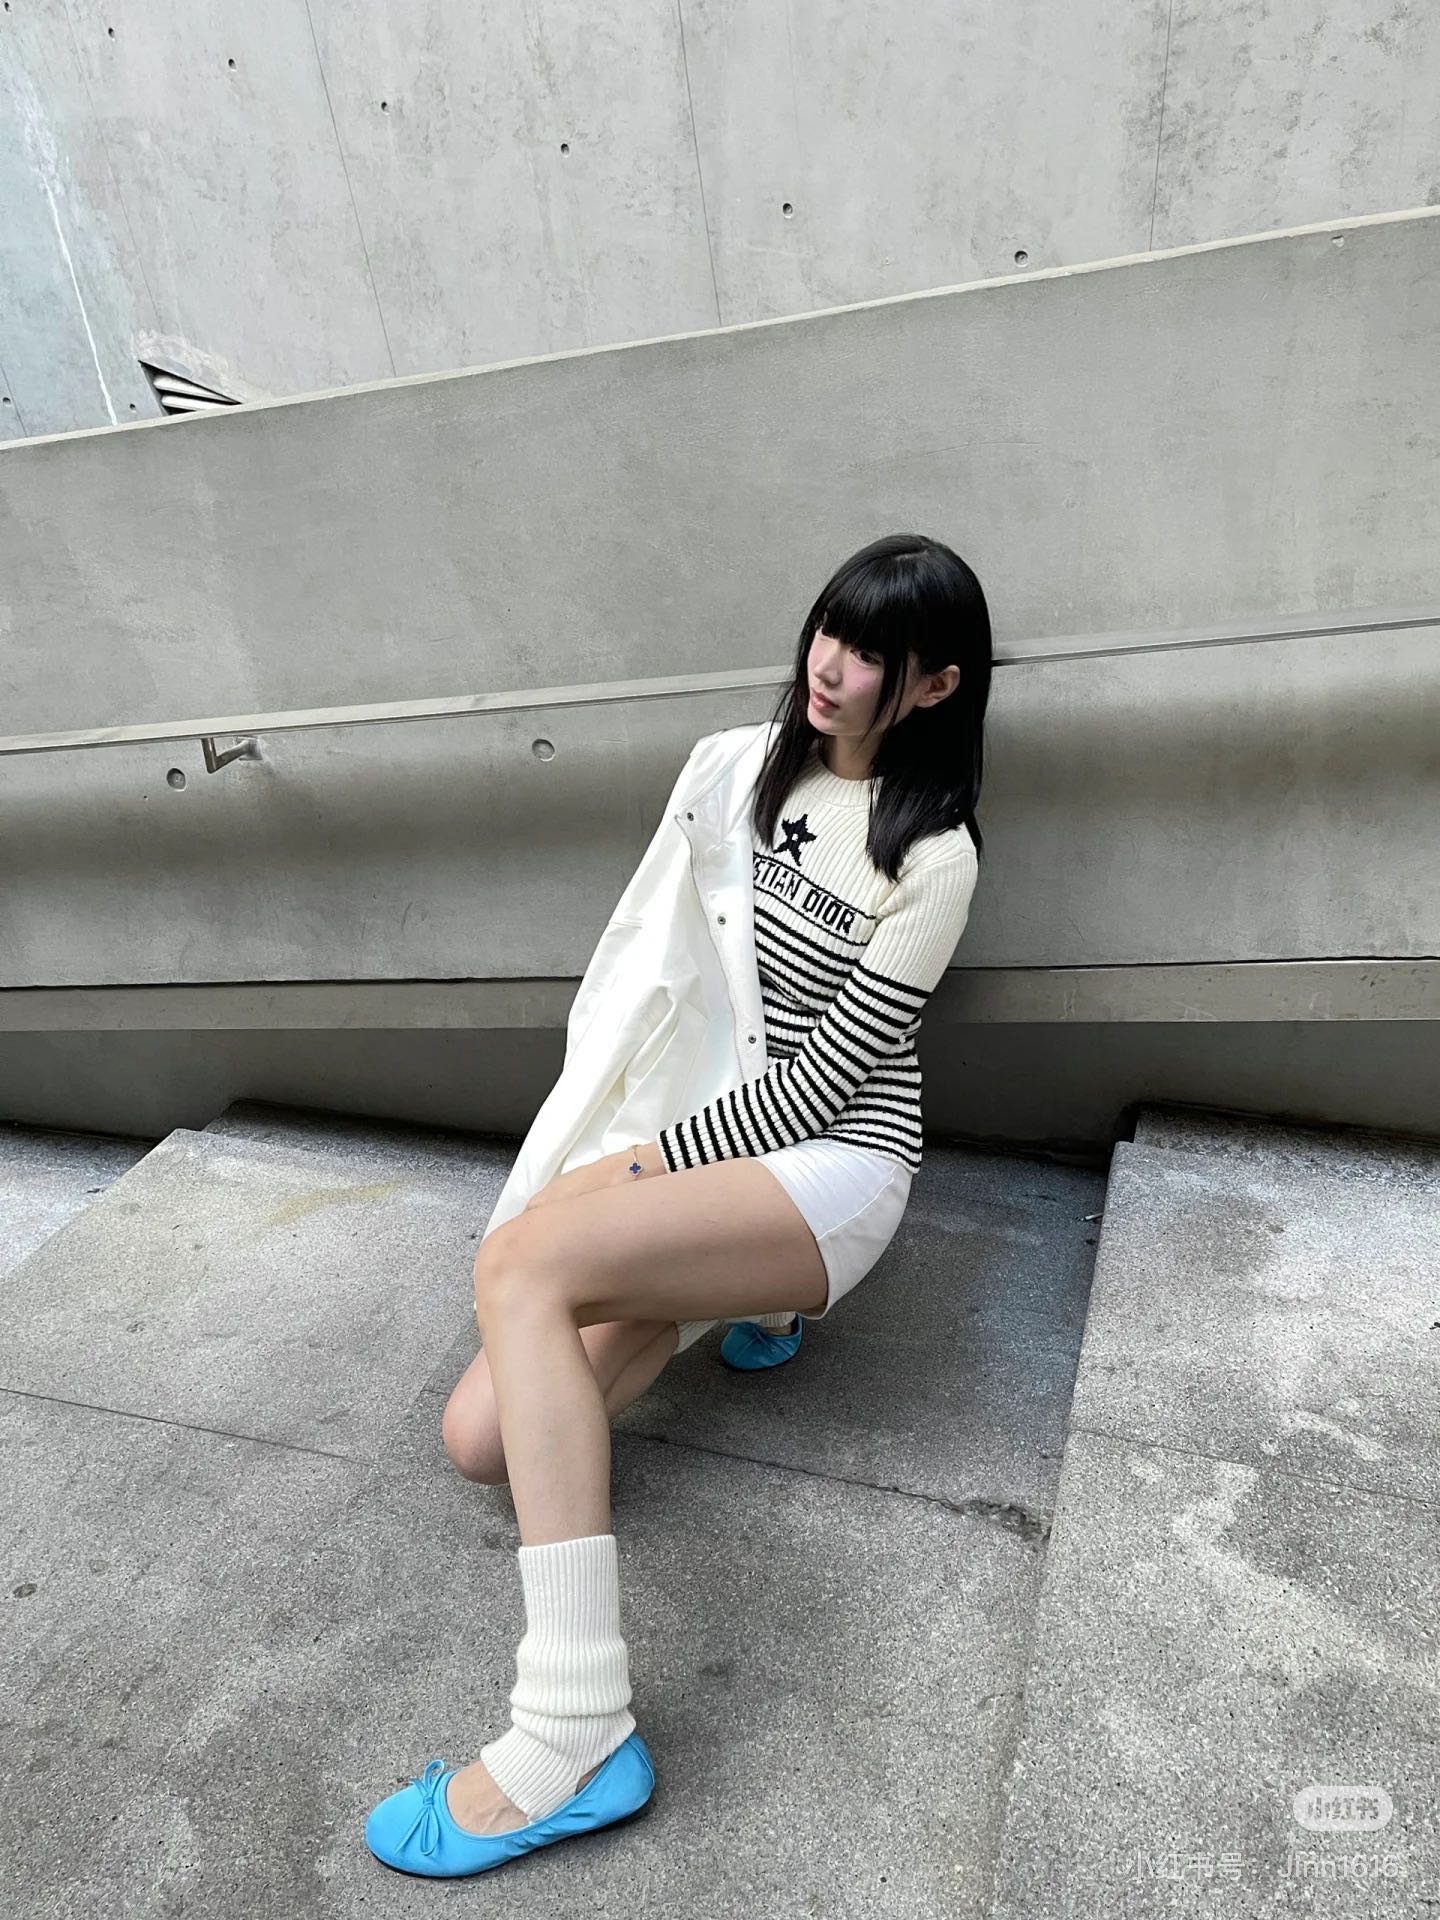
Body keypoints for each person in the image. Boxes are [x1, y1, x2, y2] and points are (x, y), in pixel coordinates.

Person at [365, 530, 993, 1876]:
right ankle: (730, 1289)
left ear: (936, 688)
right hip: (717, 1134)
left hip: (837, 1166)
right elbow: (651, 972)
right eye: (831, 630)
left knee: (524, 1269)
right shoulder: (735, 768)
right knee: (480, 1441)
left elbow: (823, 1086)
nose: (832, 666)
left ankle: (572, 1728)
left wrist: (629, 1175)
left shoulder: (935, 858)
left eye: (874, 655)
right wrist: (612, 1145)